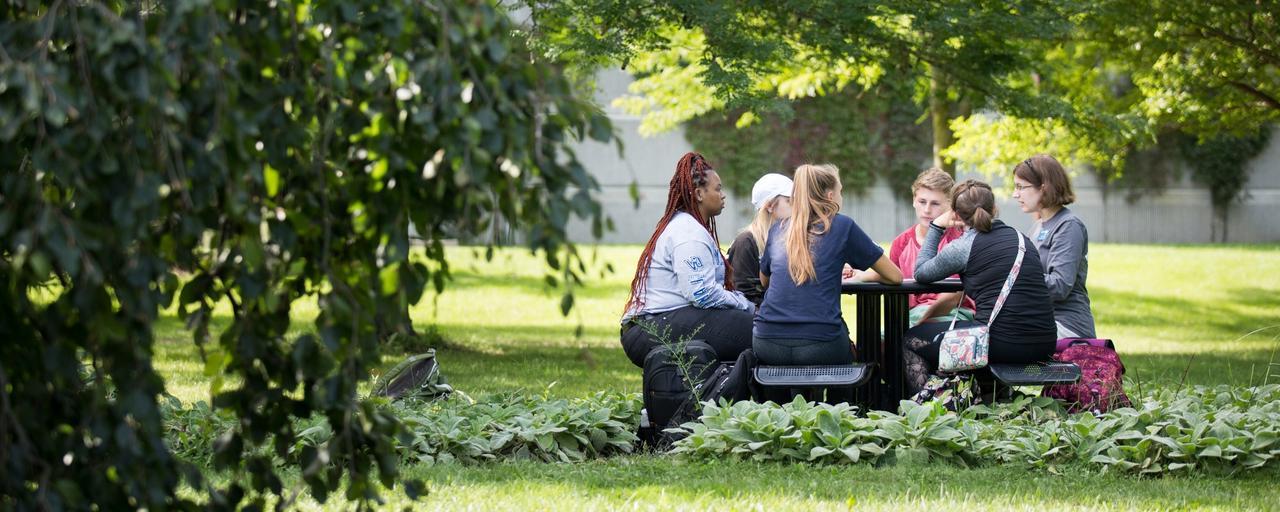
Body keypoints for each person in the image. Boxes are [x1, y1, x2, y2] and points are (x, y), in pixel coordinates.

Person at [905, 180, 1057, 395]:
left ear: (956, 215)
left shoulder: (963, 246)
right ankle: (989, 397)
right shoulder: (1022, 239)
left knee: (911, 339)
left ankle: (926, 407)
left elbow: (920, 272)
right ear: (994, 209)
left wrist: (937, 227)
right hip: (1044, 345)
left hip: (1001, 345)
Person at [753, 164, 903, 365]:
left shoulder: (778, 229)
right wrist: (864, 275)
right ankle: (848, 398)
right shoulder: (842, 226)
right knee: (849, 356)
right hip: (820, 342)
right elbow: (895, 276)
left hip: (767, 340)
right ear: (831, 196)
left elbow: (765, 281)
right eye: (841, 191)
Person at [619, 152, 755, 367]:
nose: (723, 195)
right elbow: (702, 294)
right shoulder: (688, 233)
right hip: (650, 329)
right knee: (756, 331)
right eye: (718, 189)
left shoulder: (689, 226)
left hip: (659, 322)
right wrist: (745, 304)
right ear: (699, 194)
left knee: (747, 326)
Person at [850, 168, 976, 326]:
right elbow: (890, 280)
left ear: (950, 206)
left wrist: (918, 325)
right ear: (914, 200)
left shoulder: (960, 240)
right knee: (875, 344)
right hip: (910, 317)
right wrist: (859, 274)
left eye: (935, 203)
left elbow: (953, 296)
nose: (927, 209)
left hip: (954, 316)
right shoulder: (901, 243)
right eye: (922, 201)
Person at [1012, 154, 1097, 338]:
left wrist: (1014, 277)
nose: (1015, 194)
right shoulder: (1038, 225)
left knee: (1001, 337)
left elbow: (1060, 285)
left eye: (1021, 187)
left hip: (1067, 325)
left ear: (1043, 188)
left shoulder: (1068, 226)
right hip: (1041, 320)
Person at [727, 173, 794, 306]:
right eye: (789, 201)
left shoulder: (795, 239)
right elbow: (744, 297)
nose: (796, 206)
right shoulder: (746, 242)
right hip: (762, 322)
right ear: (769, 205)